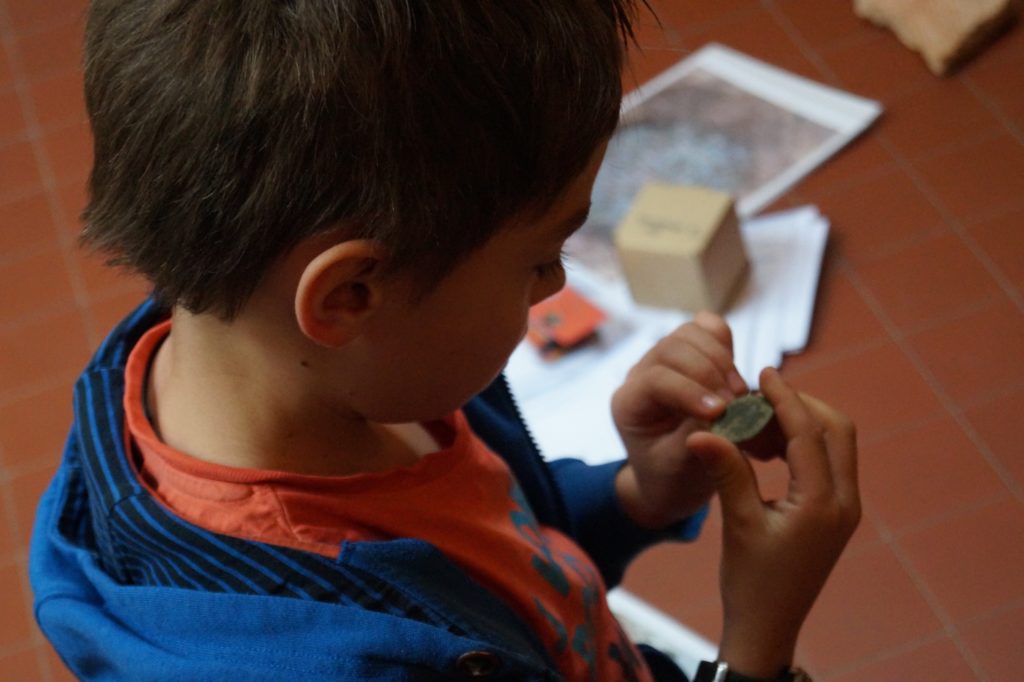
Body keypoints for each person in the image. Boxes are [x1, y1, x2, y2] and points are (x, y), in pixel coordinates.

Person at [29, 1, 860, 680]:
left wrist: (638, 495)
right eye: (543, 258)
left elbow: (496, 550)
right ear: (351, 294)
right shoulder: (326, 660)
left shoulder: (336, 363)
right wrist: (758, 649)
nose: (555, 289)